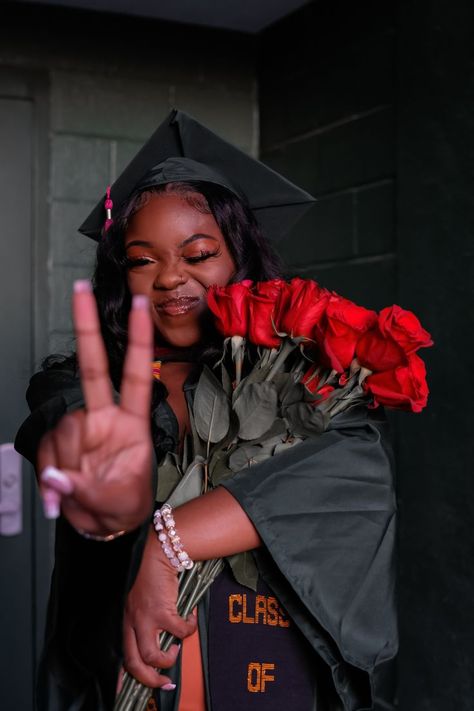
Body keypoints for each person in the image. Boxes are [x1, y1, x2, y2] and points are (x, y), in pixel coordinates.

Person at [15, 110, 397, 711]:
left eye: (198, 253)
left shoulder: (299, 380)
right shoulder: (83, 388)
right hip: (124, 684)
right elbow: (69, 440)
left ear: (239, 259)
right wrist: (104, 496)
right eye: (143, 260)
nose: (171, 277)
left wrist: (168, 547)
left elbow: (351, 472)